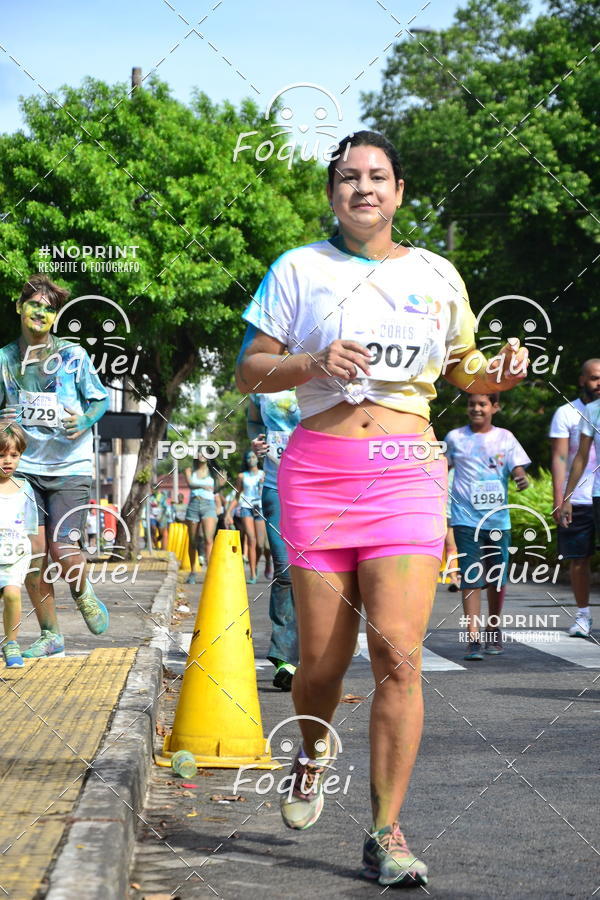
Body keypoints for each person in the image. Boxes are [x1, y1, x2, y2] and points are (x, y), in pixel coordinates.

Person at [235, 130, 526, 887]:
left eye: (378, 177)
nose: (363, 188)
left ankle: (385, 830)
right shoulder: (300, 269)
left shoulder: (437, 274)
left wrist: (498, 371)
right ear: (333, 193)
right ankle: (311, 747)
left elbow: (465, 370)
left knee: (398, 651)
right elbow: (248, 372)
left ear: (399, 192)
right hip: (319, 475)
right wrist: (310, 361)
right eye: (348, 178)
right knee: (324, 663)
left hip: (405, 472)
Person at [0, 275, 110, 659]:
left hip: (69, 464)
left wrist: (83, 421)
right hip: (25, 468)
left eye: (49, 309)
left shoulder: (73, 356)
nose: (41, 313)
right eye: (35, 305)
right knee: (31, 552)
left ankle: (82, 591)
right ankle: (51, 635)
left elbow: (100, 400)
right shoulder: (4, 360)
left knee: (63, 549)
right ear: (20, 308)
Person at [445, 393, 530, 659]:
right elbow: (440, 468)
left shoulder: (505, 437)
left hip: (497, 520)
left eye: (482, 404)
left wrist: (519, 477)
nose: (476, 409)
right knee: (471, 575)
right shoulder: (455, 437)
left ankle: (493, 628)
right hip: (465, 519)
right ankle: (473, 637)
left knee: (496, 577)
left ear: (495, 407)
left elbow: (517, 466)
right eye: (472, 404)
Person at [248, 390, 301, 690]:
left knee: (313, 573)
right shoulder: (263, 385)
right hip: (275, 487)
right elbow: (253, 422)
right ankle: (285, 657)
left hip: (316, 488)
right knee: (284, 569)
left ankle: (309, 654)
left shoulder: (319, 371)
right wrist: (256, 441)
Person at [550, 360, 600, 638]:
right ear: (582, 380)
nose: (599, 383)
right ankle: (583, 616)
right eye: (594, 378)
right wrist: (561, 498)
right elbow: (560, 458)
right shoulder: (566, 413)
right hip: (579, 497)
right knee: (579, 559)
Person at [0, 422, 39, 667]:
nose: (7, 460)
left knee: (12, 595)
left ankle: (11, 643)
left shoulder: (25, 488)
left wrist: (32, 554)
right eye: (1, 454)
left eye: (14, 455)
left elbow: (31, 525)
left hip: (15, 554)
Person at [225, 450, 268, 584]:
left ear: (258, 459)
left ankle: (267, 563)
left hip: (260, 508)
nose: (251, 459)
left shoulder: (264, 474)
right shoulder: (242, 476)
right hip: (246, 508)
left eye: (253, 456)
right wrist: (228, 512)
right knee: (251, 539)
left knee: (261, 545)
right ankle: (253, 574)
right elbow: (237, 496)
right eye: (248, 457)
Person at [184, 454, 224, 583]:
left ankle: (210, 571)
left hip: (209, 505)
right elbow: (190, 484)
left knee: (208, 539)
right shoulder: (190, 470)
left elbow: (215, 490)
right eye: (200, 452)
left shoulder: (213, 473)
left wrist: (221, 483)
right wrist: (202, 486)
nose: (202, 455)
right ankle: (193, 571)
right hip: (194, 504)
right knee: (193, 540)